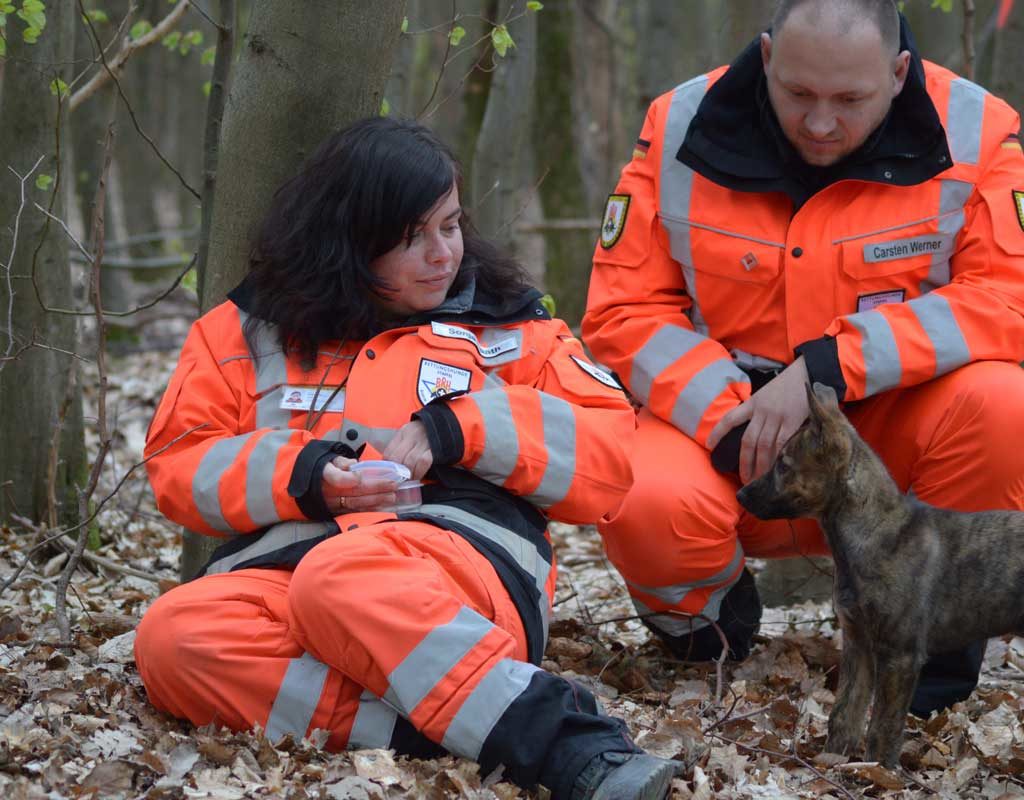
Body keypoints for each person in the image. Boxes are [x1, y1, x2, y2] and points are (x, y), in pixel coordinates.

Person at [134, 118, 682, 800]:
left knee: (340, 575)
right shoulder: (242, 331)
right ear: (347, 243)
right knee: (174, 634)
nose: (442, 254)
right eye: (409, 238)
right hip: (285, 567)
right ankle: (451, 726)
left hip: (462, 569)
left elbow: (613, 459)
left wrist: (463, 430)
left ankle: (575, 748)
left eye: (450, 226)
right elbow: (180, 464)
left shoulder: (513, 327)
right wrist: (306, 476)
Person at [583, 0, 1024, 718]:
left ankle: (929, 666)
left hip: (889, 445)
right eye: (798, 94)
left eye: (850, 100)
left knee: (1008, 407)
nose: (821, 123)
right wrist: (736, 417)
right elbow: (622, 310)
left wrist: (825, 371)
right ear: (766, 59)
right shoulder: (677, 123)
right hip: (727, 441)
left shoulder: (978, 127)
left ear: (899, 72)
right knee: (638, 492)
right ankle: (712, 639)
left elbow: (1008, 298)